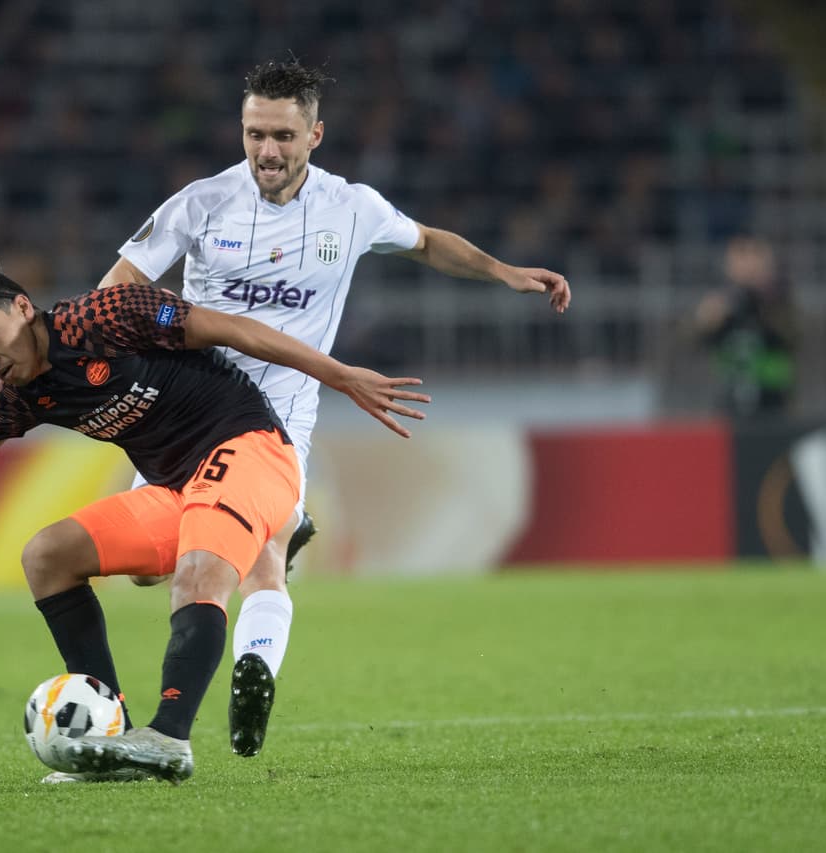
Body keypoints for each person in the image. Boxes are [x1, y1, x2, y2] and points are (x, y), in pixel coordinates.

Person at [0, 252, 428, 784]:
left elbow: (233, 330)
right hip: (174, 485)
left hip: (248, 448)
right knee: (45, 556)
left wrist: (340, 375)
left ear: (23, 307)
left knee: (198, 572)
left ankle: (170, 738)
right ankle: (116, 737)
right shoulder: (24, 392)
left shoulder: (106, 315)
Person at [97, 57, 571, 757]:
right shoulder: (199, 204)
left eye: (284, 136)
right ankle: (281, 551)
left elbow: (429, 242)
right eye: (255, 132)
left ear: (316, 135)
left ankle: (251, 666)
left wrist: (504, 272)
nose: (267, 150)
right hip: (187, 410)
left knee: (261, 557)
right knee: (145, 567)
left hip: (276, 417)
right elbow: (118, 286)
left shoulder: (351, 207)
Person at [694, 235, 796, 419]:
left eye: (754, 257)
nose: (748, 266)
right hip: (729, 395)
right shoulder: (721, 300)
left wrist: (762, 297)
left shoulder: (780, 297)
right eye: (740, 257)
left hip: (773, 397)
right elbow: (694, 341)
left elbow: (792, 336)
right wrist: (706, 321)